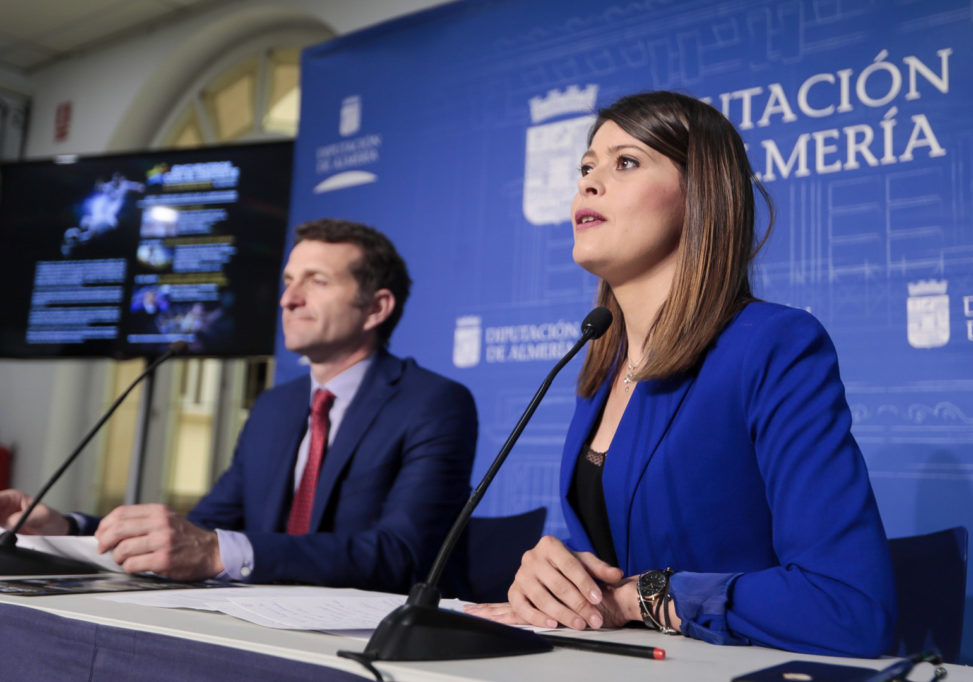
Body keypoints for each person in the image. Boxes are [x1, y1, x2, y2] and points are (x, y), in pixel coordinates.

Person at [464, 91, 896, 657]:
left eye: (626, 162)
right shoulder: (602, 367)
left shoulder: (772, 345)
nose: (589, 184)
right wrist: (561, 581)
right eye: (586, 168)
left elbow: (849, 607)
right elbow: (624, 548)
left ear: (701, 195)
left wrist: (644, 597)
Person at [1, 218, 478, 591]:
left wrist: (218, 553)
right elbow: (203, 528)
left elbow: (402, 555)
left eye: (316, 281)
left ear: (376, 308)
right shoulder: (273, 408)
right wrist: (68, 528)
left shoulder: (433, 403)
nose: (288, 299)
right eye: (288, 280)